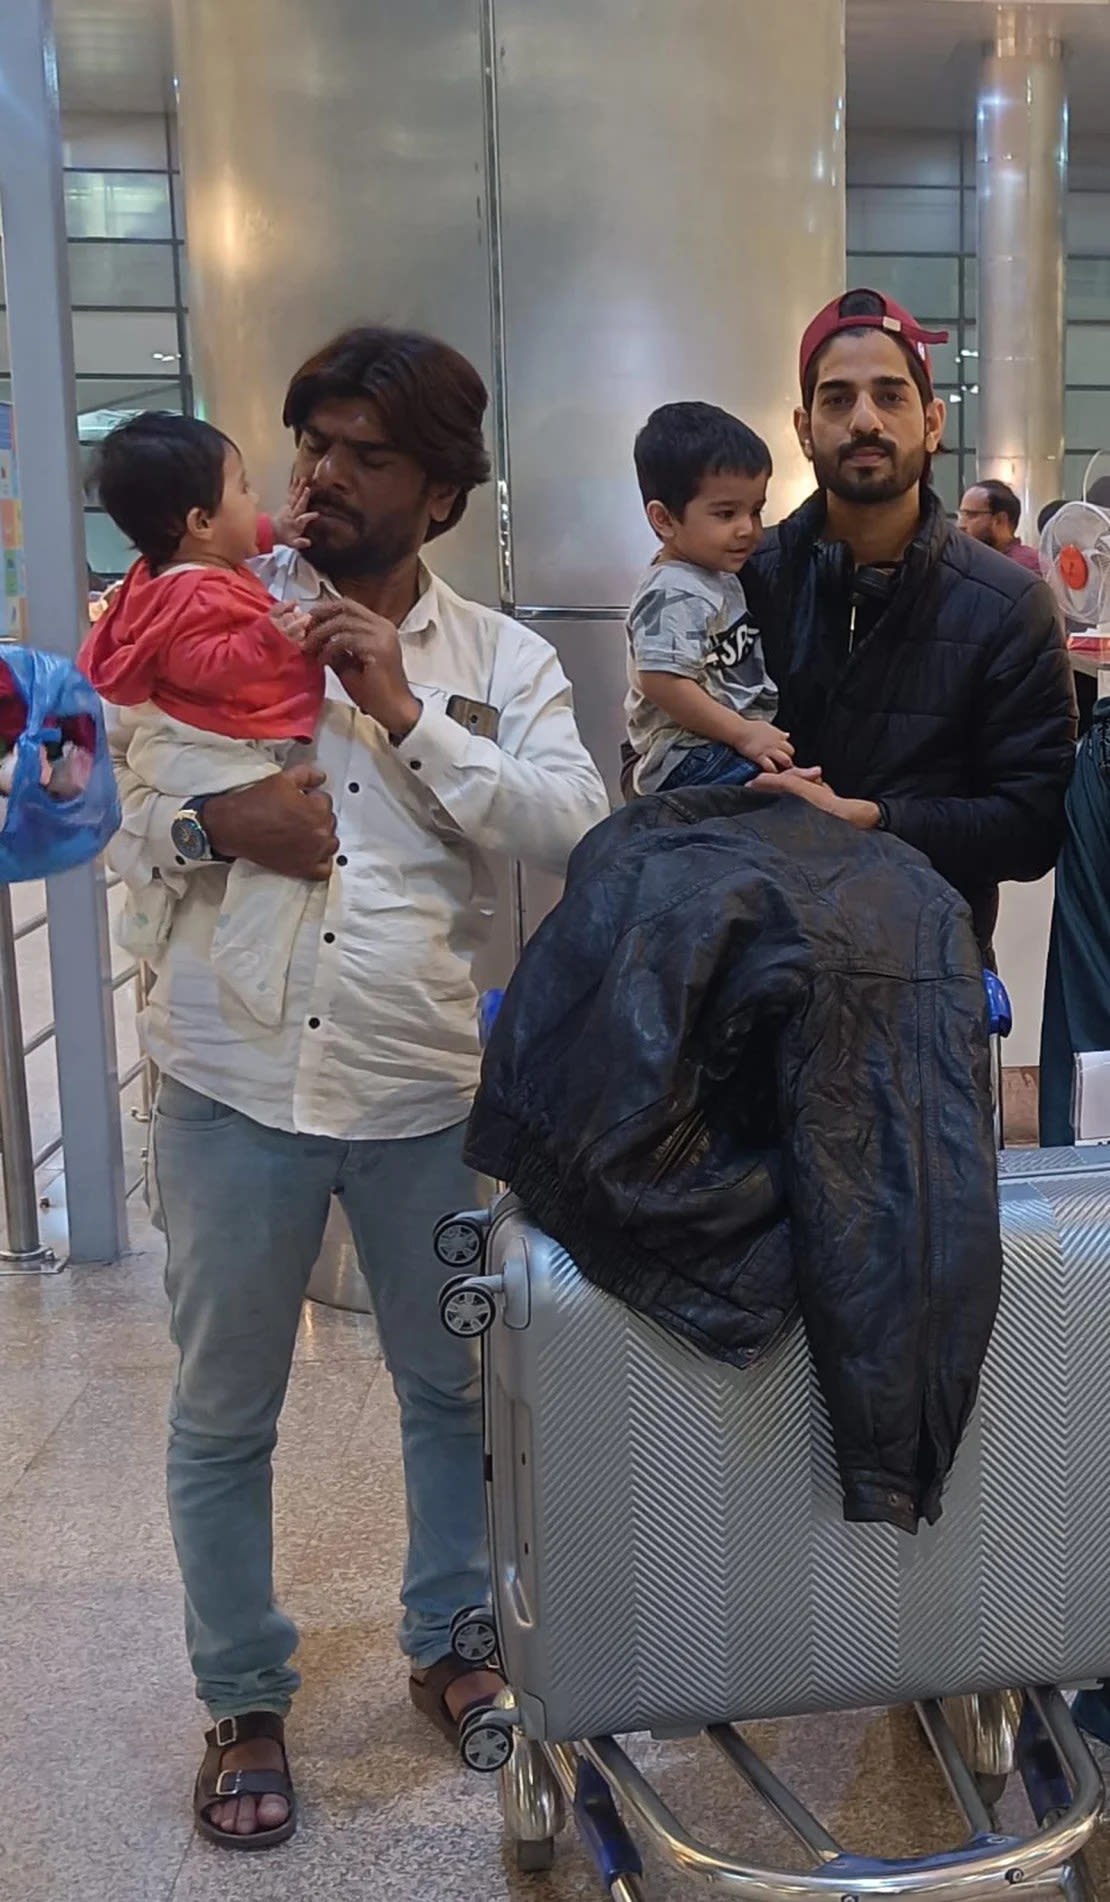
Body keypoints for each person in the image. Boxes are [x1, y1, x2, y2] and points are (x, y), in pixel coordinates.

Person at [105, 326, 609, 1851]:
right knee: (221, 1408)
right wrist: (214, 831)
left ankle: (450, 1639)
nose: (321, 474)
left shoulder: (495, 659)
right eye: (309, 442)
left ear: (439, 492)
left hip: (415, 1091)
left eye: (363, 453)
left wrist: (400, 707)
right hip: (228, 1074)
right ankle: (244, 1691)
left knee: (451, 1393)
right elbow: (120, 811)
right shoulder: (192, 616)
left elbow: (571, 823)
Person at [734, 286, 1076, 958]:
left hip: (925, 970)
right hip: (752, 956)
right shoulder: (743, 579)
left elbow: (1032, 826)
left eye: (890, 395)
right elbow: (650, 756)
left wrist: (875, 819)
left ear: (932, 422)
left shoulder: (1008, 603)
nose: (865, 421)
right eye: (838, 399)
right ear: (805, 429)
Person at [81, 413, 325, 1025]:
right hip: (194, 744)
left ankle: (152, 907)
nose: (256, 500)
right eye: (243, 488)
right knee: (280, 842)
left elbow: (236, 540)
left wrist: (279, 530)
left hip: (176, 741)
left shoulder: (169, 570)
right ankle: (251, 965)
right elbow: (202, 665)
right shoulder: (195, 593)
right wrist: (272, 640)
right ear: (199, 521)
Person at [624, 402, 793, 794]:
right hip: (684, 755)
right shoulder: (673, 589)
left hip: (719, 744)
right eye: (726, 513)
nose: (749, 530)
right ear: (664, 519)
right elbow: (662, 680)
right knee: (785, 795)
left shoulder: (715, 573)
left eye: (756, 511)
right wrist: (743, 734)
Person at [957, 477, 1043, 573]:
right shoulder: (966, 562)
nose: (961, 525)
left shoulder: (1027, 567)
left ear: (999, 520)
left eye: (971, 515)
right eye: (961, 515)